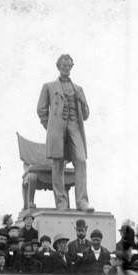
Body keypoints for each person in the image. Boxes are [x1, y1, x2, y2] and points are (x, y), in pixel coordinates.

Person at [37, 54, 93, 212]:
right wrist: (50, 127)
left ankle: (82, 201)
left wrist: (82, 101)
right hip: (57, 129)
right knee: (58, 164)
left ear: (72, 67)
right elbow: (41, 109)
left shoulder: (79, 89)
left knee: (81, 160)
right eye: (63, 65)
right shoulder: (48, 86)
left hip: (75, 127)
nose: (66, 68)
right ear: (58, 66)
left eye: (69, 65)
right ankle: (61, 203)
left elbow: (86, 115)